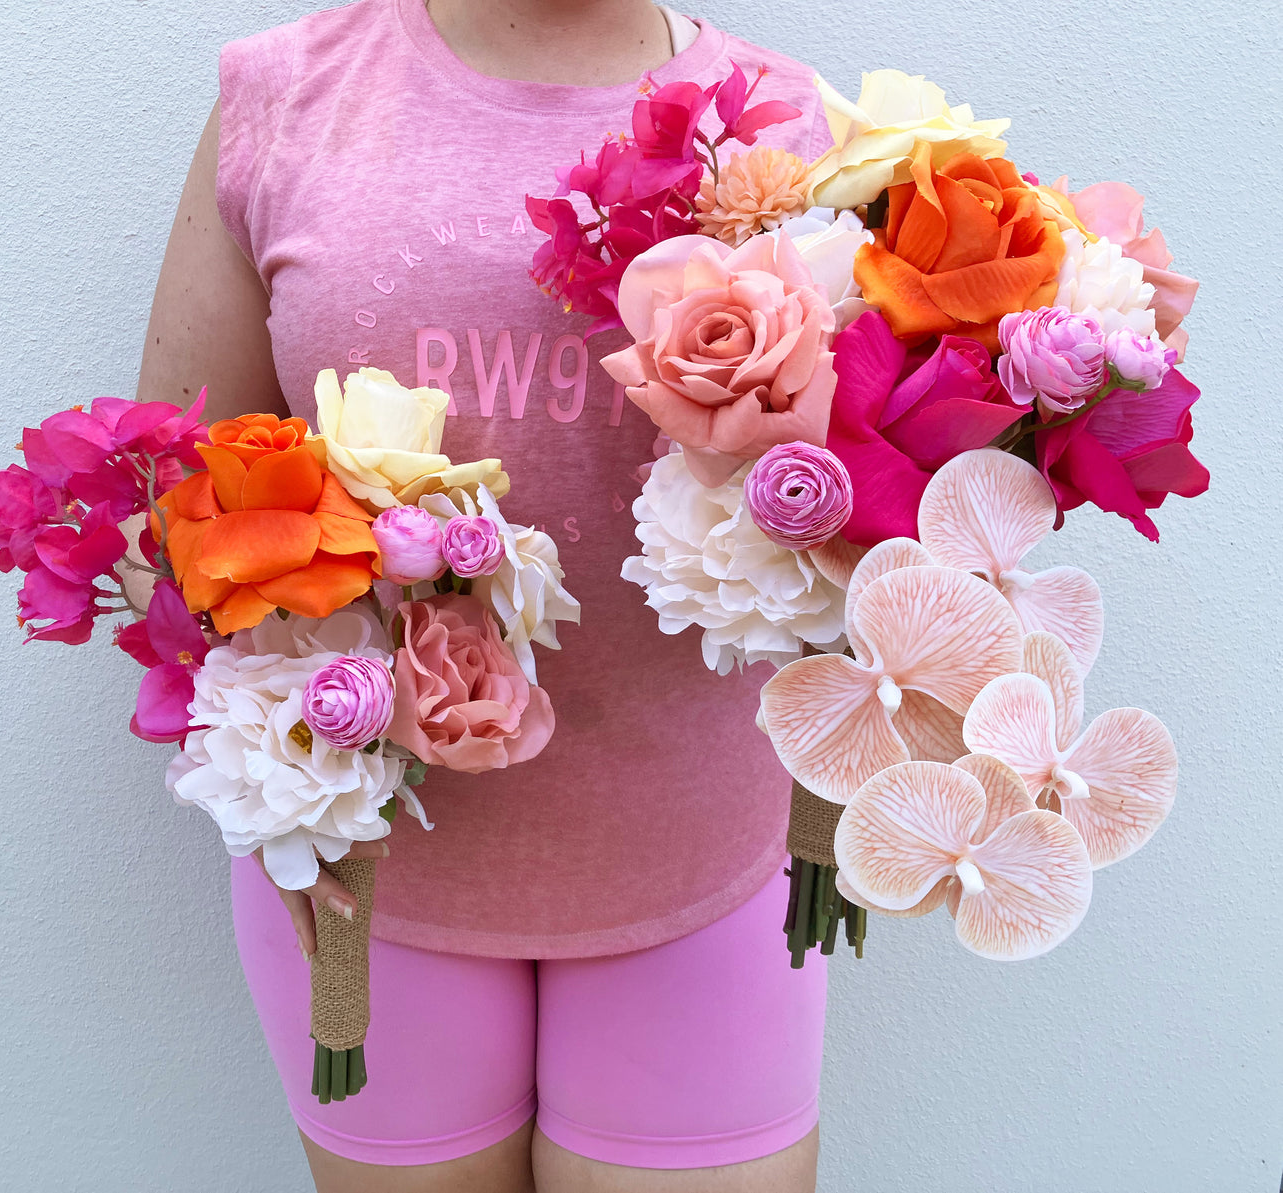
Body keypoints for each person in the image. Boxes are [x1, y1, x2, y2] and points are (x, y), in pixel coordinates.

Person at [138, 1, 832, 1189]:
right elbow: (183, 487)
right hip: (370, 873)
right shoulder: (288, 94)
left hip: (701, 862)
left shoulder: (785, 128)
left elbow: (856, 494)